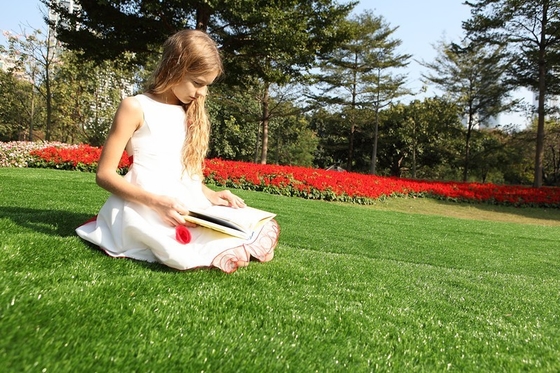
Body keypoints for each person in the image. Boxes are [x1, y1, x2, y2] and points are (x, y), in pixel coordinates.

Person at [76, 29, 279, 273]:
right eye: (197, 83)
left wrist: (209, 194)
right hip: (146, 205)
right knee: (186, 250)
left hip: (184, 203)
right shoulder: (135, 107)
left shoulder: (188, 110)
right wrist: (156, 203)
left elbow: (176, 170)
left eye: (207, 86)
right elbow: (104, 175)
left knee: (250, 228)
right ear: (174, 68)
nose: (202, 93)